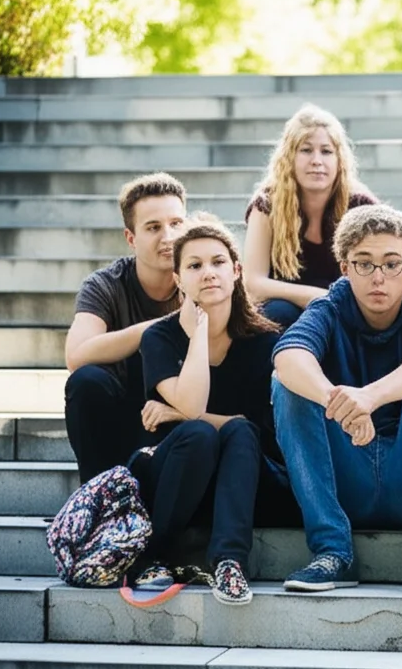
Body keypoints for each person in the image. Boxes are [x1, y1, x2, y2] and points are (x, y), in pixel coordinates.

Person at [271, 204, 402, 598]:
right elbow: (287, 355)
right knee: (286, 384)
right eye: (364, 264)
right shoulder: (330, 306)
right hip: (349, 475)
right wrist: (340, 404)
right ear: (345, 268)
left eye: (392, 264)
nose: (379, 277)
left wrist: (369, 398)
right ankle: (332, 551)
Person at [132, 218, 287, 606]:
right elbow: (194, 405)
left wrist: (176, 414)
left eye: (218, 262)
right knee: (199, 434)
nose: (208, 273)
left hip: (244, 481)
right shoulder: (160, 337)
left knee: (238, 433)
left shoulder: (265, 339)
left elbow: (250, 426)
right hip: (178, 479)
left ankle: (230, 563)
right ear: (179, 279)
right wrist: (198, 331)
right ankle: (153, 556)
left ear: (237, 271)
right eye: (194, 265)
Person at [64, 172, 188, 483]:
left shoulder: (204, 275)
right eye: (153, 227)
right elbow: (77, 355)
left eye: (176, 223)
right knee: (86, 382)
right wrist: (165, 325)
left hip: (176, 413)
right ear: (131, 238)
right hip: (120, 411)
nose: (169, 237)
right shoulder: (105, 284)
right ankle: (97, 497)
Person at [243, 103, 378, 328]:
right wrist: (318, 296)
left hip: (346, 313)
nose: (317, 160)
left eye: (326, 151)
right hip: (288, 316)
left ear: (339, 160)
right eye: (306, 150)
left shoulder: (360, 205)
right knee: (277, 311)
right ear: (289, 158)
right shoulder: (267, 205)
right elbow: (253, 284)